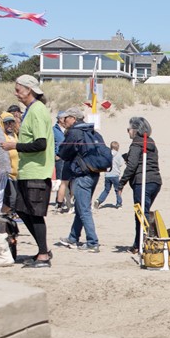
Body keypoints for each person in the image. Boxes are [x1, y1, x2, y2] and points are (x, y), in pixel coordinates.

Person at [7, 73, 55, 268]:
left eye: (18, 90)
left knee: (34, 213)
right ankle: (43, 249)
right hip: (27, 171)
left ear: (29, 90)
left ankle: (43, 255)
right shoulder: (31, 110)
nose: (16, 93)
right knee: (22, 210)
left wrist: (14, 146)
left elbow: (40, 144)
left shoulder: (37, 110)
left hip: (37, 172)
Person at [54, 108, 107, 252]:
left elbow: (64, 152)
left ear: (72, 118)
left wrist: (61, 153)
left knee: (84, 209)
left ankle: (92, 242)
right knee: (80, 207)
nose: (64, 122)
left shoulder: (75, 132)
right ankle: (73, 237)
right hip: (94, 173)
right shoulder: (92, 131)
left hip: (82, 174)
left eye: (65, 119)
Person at [117, 115, 163, 254]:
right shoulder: (151, 143)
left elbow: (131, 166)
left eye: (129, 129)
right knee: (143, 214)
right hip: (155, 181)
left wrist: (121, 183)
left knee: (140, 215)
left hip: (143, 182)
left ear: (135, 130)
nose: (128, 132)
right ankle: (140, 243)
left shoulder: (137, 143)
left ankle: (140, 245)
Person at [94, 141, 124, 209]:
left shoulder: (107, 154)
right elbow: (121, 164)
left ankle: (98, 200)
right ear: (117, 148)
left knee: (106, 190)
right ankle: (119, 204)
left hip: (107, 175)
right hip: (115, 175)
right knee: (117, 190)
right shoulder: (118, 155)